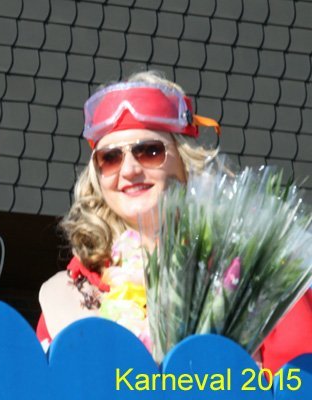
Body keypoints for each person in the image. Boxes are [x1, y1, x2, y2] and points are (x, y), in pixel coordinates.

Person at [37, 70, 312, 371]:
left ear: (184, 159)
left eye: (149, 151)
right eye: (110, 158)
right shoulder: (73, 292)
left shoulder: (251, 270)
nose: (129, 170)